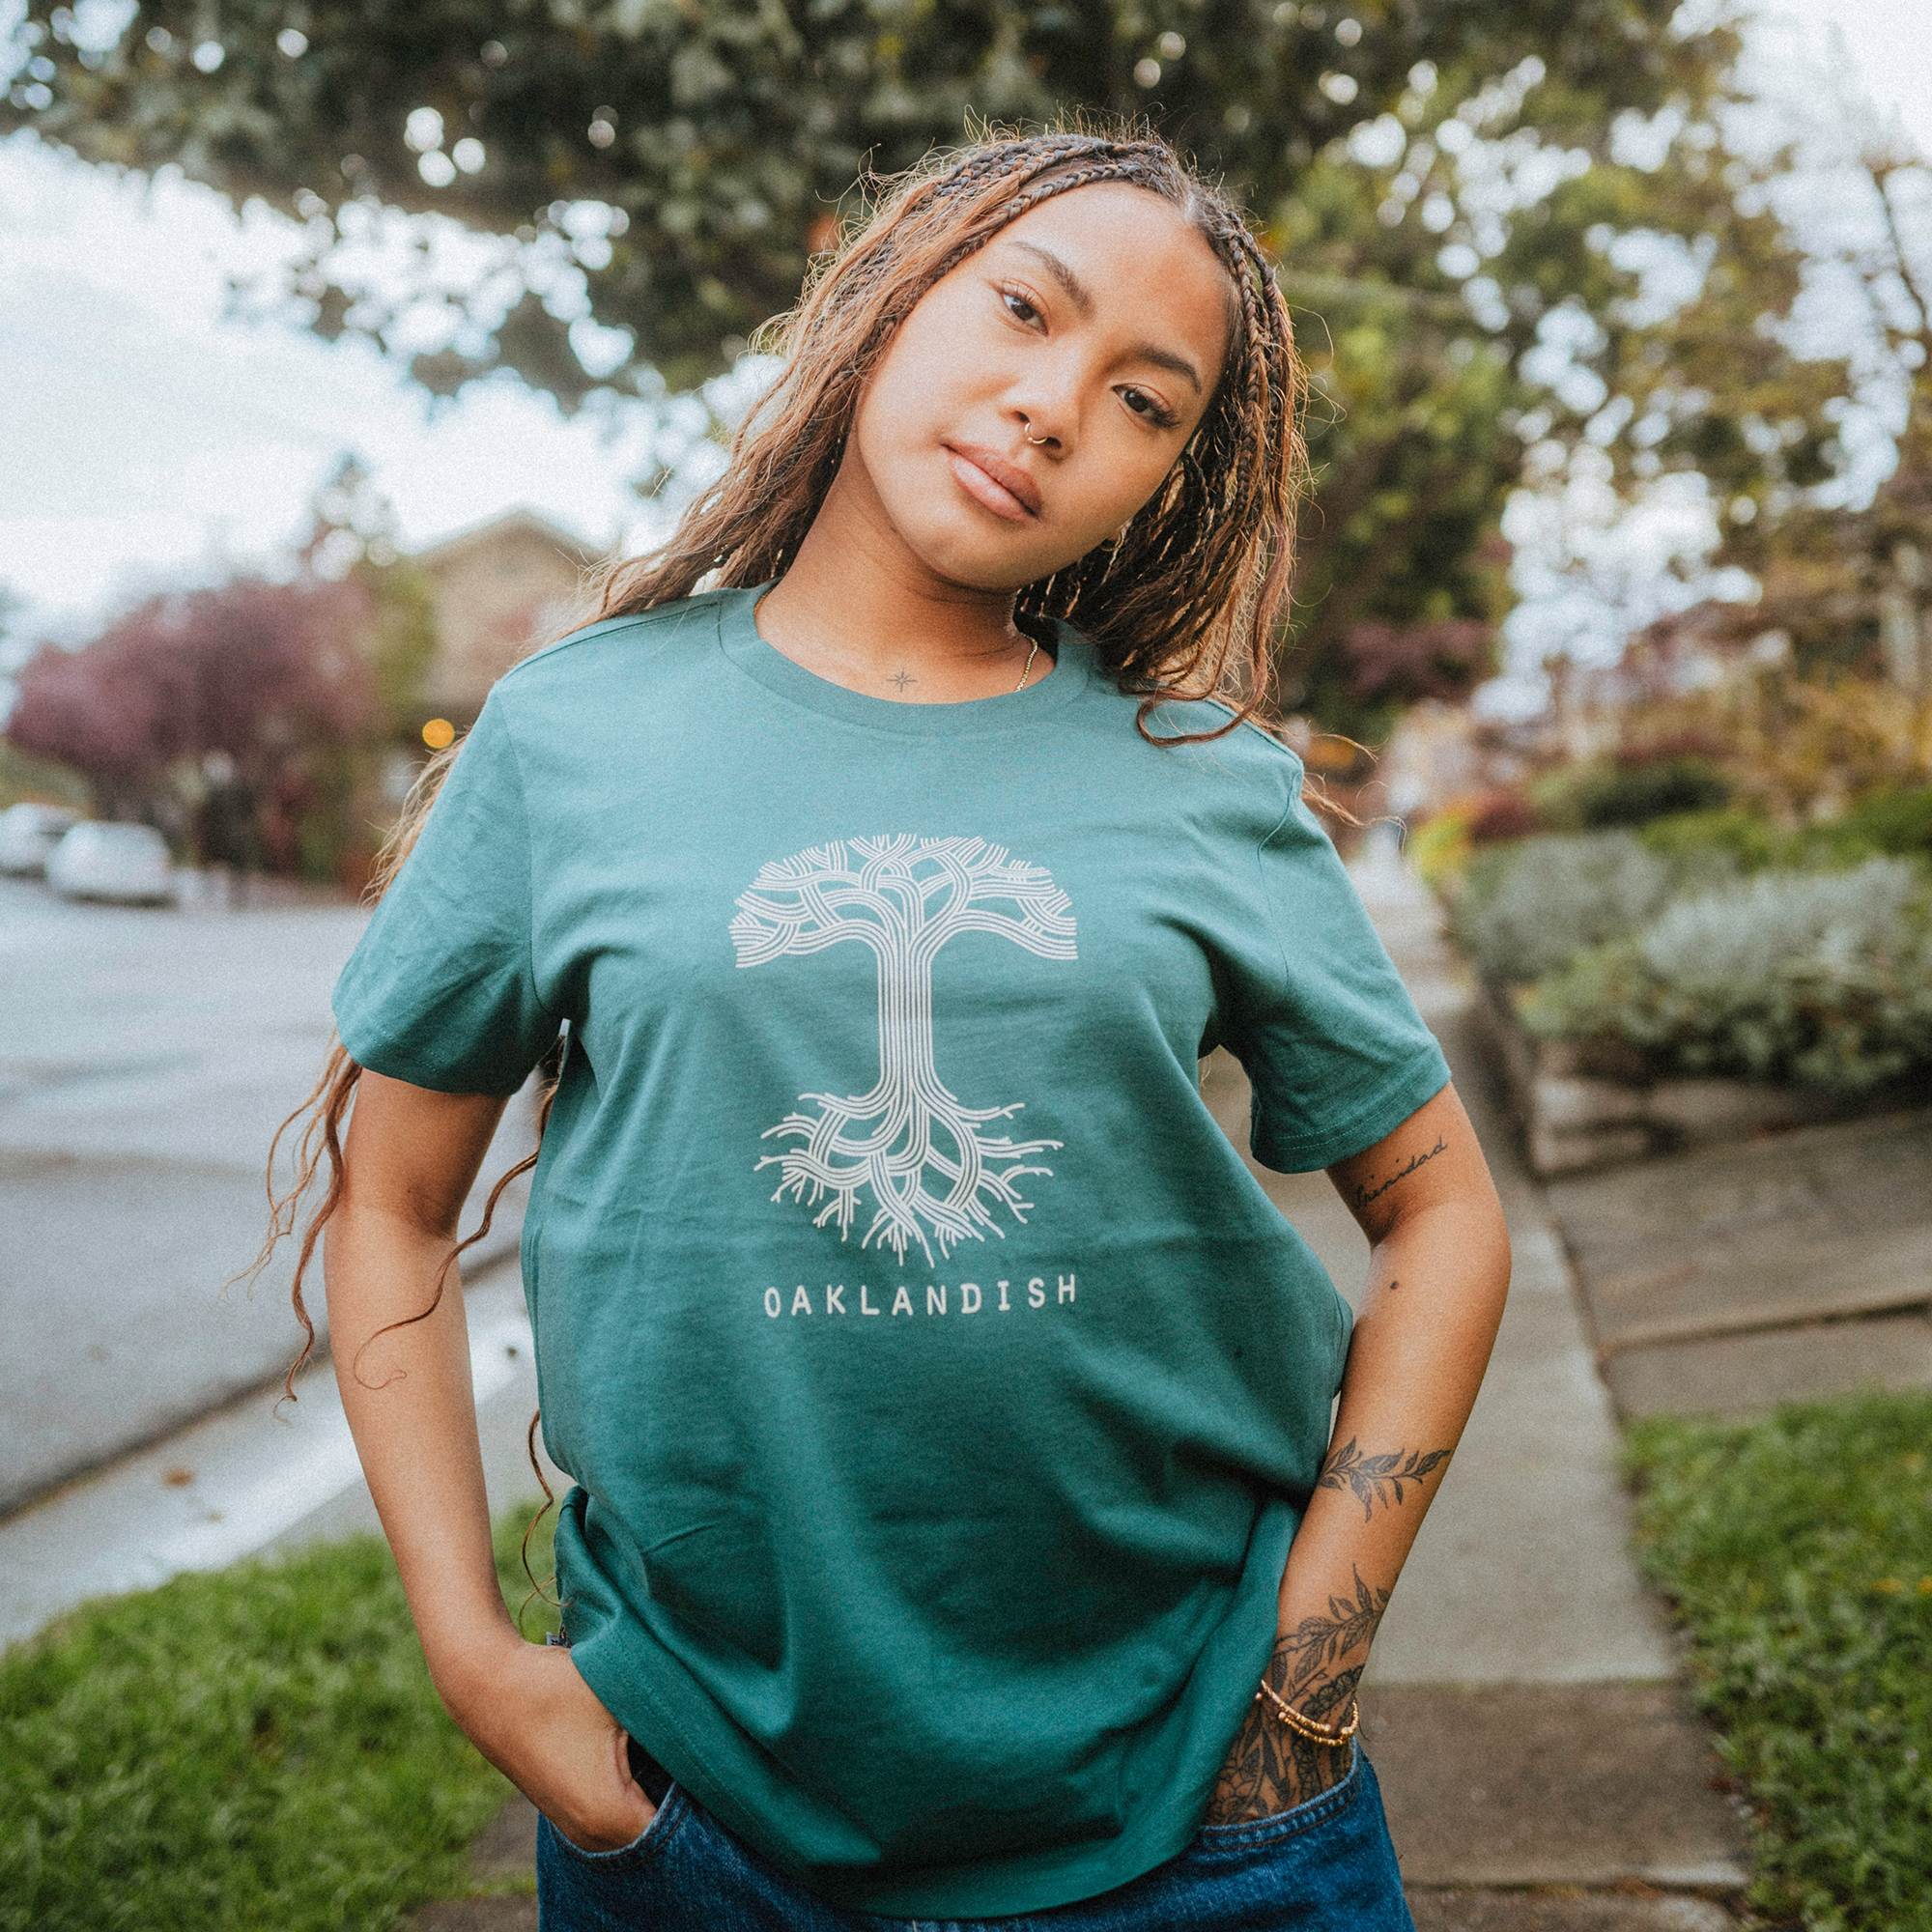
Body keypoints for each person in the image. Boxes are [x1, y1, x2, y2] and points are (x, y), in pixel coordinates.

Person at [273, 128, 1510, 1930]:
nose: (1051, 406)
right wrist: (474, 1656)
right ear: (880, 289)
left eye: (1146, 402)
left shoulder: (1204, 787)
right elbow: (387, 1202)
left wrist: (1306, 1674)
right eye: (1021, 308)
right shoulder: (574, 736)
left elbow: (1446, 1213)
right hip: (693, 1810)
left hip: (1208, 1820)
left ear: (1168, 476)